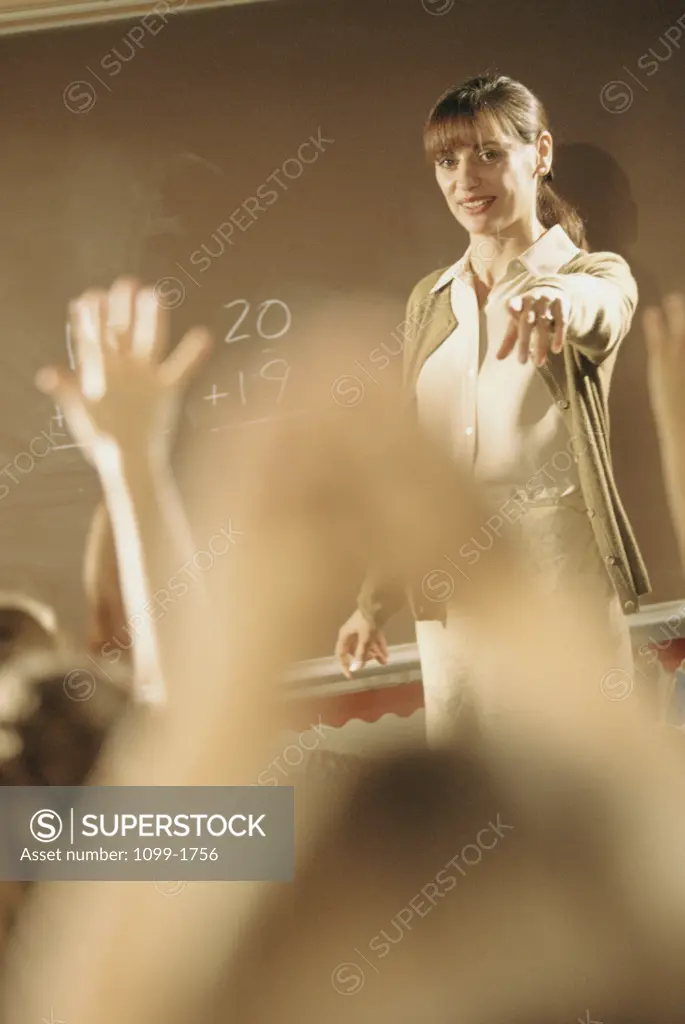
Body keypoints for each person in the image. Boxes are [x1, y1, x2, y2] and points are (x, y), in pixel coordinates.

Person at [335, 73, 650, 744]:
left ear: (538, 154)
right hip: (450, 598)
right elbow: (418, 470)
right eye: (446, 161)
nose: (463, 178)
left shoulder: (592, 276)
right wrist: (372, 601)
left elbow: (602, 313)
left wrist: (554, 301)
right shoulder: (430, 298)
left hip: (555, 587)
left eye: (486, 154)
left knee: (574, 800)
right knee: (468, 816)